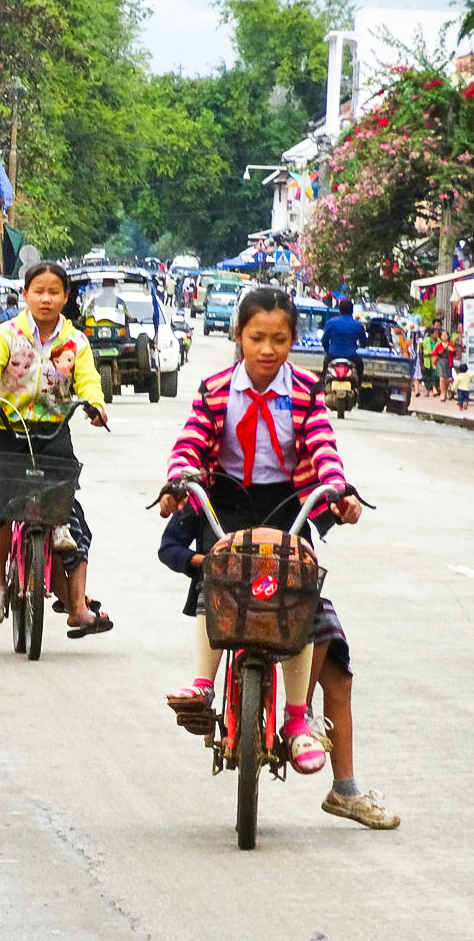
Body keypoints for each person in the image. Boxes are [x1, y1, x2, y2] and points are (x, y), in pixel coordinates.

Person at [157, 286, 364, 779]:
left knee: (298, 599)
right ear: (239, 337)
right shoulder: (213, 390)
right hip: (227, 499)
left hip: (286, 504)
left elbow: (322, 446)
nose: (267, 349)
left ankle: (296, 720)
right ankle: (202, 686)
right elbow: (191, 441)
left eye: (279, 339)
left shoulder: (307, 391)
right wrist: (179, 476)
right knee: (219, 580)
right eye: (257, 338)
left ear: (293, 340)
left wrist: (337, 489)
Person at [157, 509, 400, 829]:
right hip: (227, 596)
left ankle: (341, 785)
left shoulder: (291, 478)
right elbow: (170, 547)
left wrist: (342, 502)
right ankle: (206, 688)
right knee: (212, 595)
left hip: (288, 596)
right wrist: (204, 563)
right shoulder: (211, 480)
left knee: (338, 677)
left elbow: (327, 501)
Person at [0, 261, 111, 636]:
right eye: (38, 291)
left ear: (66, 296)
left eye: (54, 292)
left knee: (63, 491)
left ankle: (58, 524)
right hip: (7, 427)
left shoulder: (76, 342)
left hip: (53, 426)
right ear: (24, 295)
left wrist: (95, 404)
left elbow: (88, 379)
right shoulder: (6, 335)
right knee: (0, 509)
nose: (46, 299)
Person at [320, 298, 366, 375]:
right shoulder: (358, 325)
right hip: (351, 357)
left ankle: (324, 385)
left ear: (339, 310)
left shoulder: (331, 322)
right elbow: (364, 343)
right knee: (360, 366)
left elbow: (324, 341)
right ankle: (358, 386)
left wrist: (329, 351)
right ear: (352, 311)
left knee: (325, 369)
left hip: (332, 356)